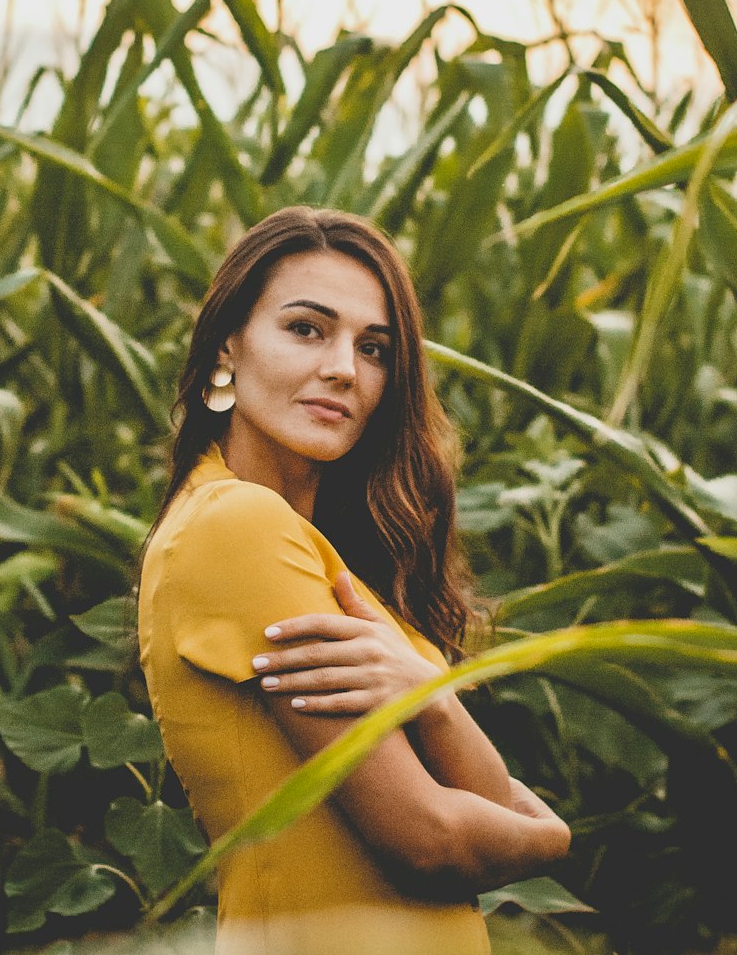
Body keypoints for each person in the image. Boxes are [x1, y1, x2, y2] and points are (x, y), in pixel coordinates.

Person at [138, 206, 570, 955]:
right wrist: (549, 837)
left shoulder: (313, 549)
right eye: (307, 328)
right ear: (227, 346)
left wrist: (427, 701)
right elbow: (433, 837)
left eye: (374, 347)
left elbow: (482, 803)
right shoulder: (238, 527)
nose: (345, 366)